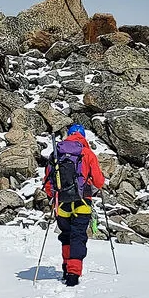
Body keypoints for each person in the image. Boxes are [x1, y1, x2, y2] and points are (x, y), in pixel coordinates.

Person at [43, 123, 106, 287]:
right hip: (83, 201)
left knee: (66, 236)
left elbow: (48, 182)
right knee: (78, 236)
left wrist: (54, 196)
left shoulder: (57, 153)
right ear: (83, 136)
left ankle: (66, 267)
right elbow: (99, 182)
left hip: (62, 203)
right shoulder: (87, 153)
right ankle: (73, 273)